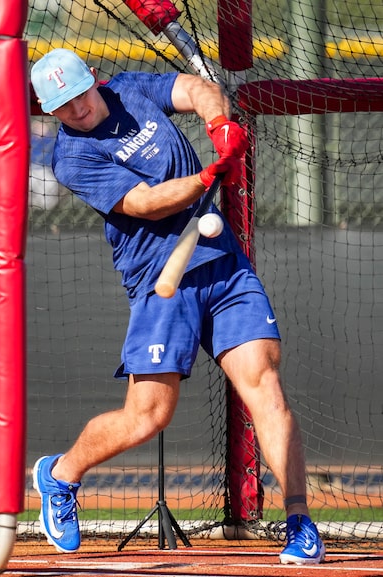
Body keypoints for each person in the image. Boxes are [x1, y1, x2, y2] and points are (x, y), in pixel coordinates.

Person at [30, 48, 325, 565]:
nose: (75, 110)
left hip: (220, 262)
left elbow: (192, 88)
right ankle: (60, 474)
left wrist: (219, 127)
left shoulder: (129, 89)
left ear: (94, 81)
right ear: (48, 109)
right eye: (61, 106)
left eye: (78, 95)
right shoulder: (71, 157)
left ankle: (299, 520)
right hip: (160, 278)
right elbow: (143, 202)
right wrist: (208, 179)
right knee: (147, 417)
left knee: (266, 387)